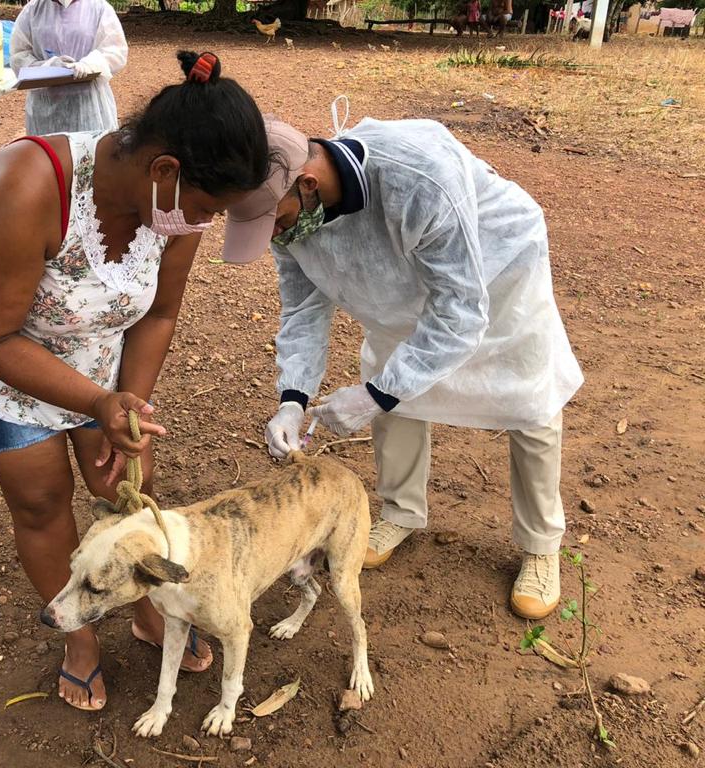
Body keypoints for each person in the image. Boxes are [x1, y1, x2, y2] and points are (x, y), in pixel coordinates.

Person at [0, 51, 271, 711]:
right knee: (41, 501)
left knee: (127, 487)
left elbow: (160, 313)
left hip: (97, 360)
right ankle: (79, 638)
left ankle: (145, 606)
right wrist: (97, 402)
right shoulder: (26, 184)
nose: (202, 224)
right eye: (202, 208)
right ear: (164, 170)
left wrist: (128, 407)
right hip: (1, 362)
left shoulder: (174, 205)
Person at [223, 105, 584, 621]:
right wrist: (292, 400)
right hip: (398, 289)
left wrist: (374, 394)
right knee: (391, 386)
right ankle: (401, 512)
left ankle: (541, 544)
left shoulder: (417, 177)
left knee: (526, 397)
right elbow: (304, 308)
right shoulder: (288, 220)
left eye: (276, 222)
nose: (275, 236)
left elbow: (460, 310)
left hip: (497, 273)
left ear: (306, 184)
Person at [9, 0, 127, 134]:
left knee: (90, 152)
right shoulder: (32, 10)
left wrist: (90, 65)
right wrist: (47, 67)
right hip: (44, 111)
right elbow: (18, 54)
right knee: (47, 153)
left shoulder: (99, 8)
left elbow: (115, 50)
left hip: (89, 109)